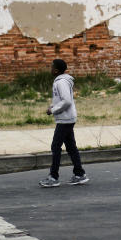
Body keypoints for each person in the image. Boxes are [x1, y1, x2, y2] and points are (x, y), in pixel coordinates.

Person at [38, 58, 89, 188]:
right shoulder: (61, 81)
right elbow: (60, 99)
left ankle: (54, 177)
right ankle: (79, 174)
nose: (50, 69)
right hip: (67, 118)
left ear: (56, 70)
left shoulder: (61, 82)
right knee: (71, 147)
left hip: (65, 119)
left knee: (56, 147)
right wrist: (52, 107)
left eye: (51, 67)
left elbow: (66, 101)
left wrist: (53, 110)